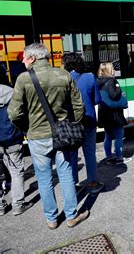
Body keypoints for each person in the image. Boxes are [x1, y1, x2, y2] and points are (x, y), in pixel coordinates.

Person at [8, 43, 89, 229]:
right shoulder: (63, 75)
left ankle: (51, 219)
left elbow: (14, 114)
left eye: (25, 57)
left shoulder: (23, 79)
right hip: (62, 134)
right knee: (66, 174)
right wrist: (72, 124)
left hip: (37, 136)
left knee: (44, 178)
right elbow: (79, 107)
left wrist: (27, 128)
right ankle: (71, 216)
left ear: (33, 58)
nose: (23, 60)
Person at [62, 53, 104, 194]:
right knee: (90, 153)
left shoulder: (62, 79)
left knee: (72, 154)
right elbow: (97, 100)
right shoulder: (89, 77)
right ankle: (92, 182)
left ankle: (73, 185)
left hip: (70, 123)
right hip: (88, 120)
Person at [0, 68, 32, 216]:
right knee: (16, 171)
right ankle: (18, 204)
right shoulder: (12, 92)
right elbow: (20, 114)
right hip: (11, 138)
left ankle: (1, 205)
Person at [97, 62, 129, 165]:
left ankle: (109, 157)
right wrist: (119, 89)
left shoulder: (99, 81)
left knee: (108, 135)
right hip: (114, 114)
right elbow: (114, 95)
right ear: (109, 70)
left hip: (104, 112)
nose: (114, 69)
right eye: (112, 68)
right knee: (119, 134)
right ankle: (119, 157)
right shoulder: (112, 81)